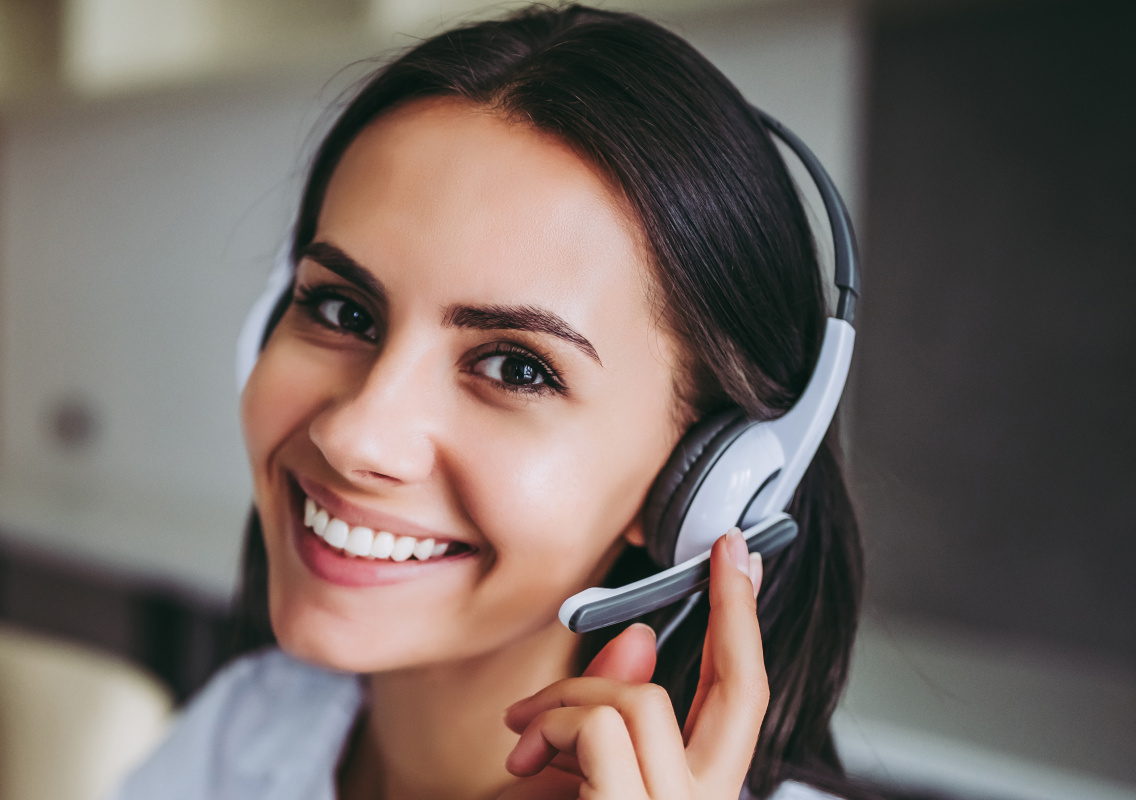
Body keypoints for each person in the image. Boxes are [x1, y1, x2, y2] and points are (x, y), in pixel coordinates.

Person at [117, 7, 869, 800]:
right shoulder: (247, 733)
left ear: (712, 480)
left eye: (515, 367)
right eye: (344, 311)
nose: (355, 436)